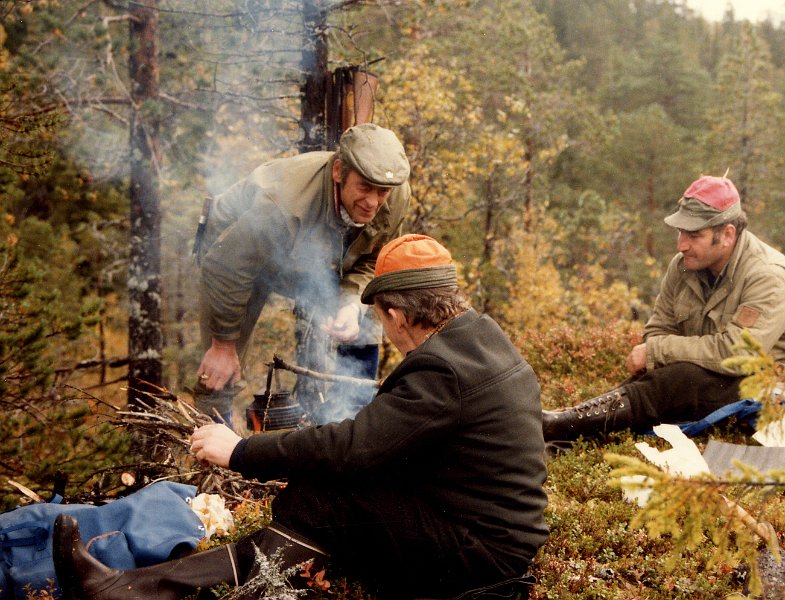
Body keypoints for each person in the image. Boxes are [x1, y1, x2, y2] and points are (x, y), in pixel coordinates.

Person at [54, 234, 549, 600]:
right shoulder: (480, 340)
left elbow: (353, 447)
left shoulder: (443, 368)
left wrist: (241, 450)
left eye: (381, 319)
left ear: (397, 315)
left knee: (325, 500)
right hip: (490, 536)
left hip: (483, 558)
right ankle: (140, 589)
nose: (385, 330)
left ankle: (134, 589)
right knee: (325, 497)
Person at [193, 123, 411, 426]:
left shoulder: (396, 195)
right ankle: (214, 450)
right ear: (338, 172)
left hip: (313, 256)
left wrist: (351, 302)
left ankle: (352, 424)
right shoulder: (281, 205)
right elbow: (227, 269)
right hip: (235, 259)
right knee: (221, 366)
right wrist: (223, 345)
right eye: (364, 187)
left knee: (368, 310)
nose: (373, 202)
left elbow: (374, 258)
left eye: (382, 191)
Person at [543, 174, 785, 442]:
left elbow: (737, 353)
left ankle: (559, 426)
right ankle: (563, 431)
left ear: (727, 234)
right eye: (680, 232)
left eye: (694, 235)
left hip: (763, 388)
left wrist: (658, 351)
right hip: (698, 380)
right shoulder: (683, 266)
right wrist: (658, 354)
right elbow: (659, 328)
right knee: (654, 383)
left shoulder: (767, 275)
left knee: (680, 378)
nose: (682, 244)